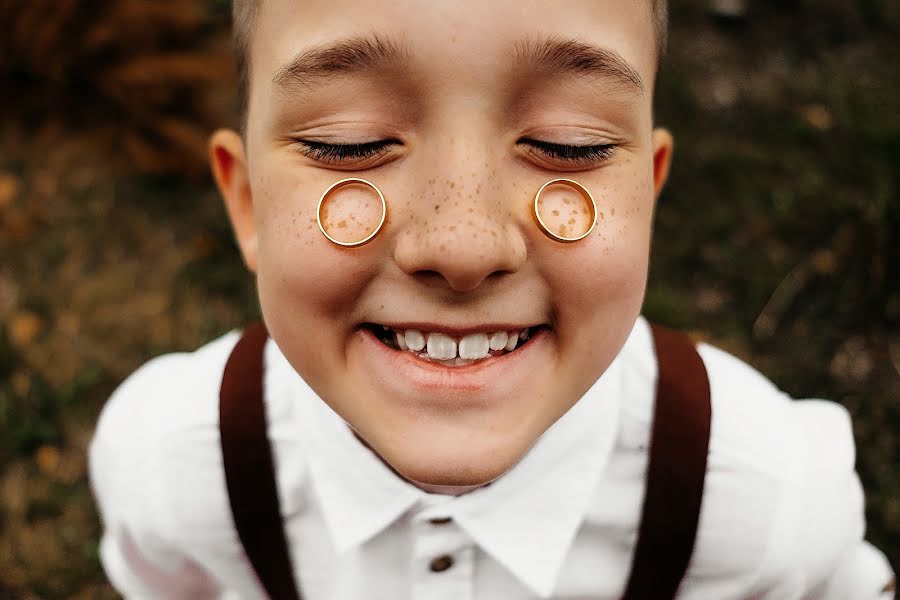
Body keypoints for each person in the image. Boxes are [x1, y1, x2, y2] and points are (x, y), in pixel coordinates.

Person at [88, 0, 895, 598]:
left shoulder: (768, 499)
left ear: (648, 196)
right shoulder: (170, 470)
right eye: (349, 143)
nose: (462, 246)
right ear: (248, 204)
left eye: (566, 145)